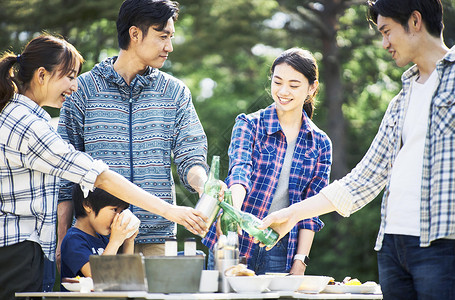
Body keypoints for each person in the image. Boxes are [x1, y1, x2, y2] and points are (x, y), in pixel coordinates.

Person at [260, 0, 455, 298]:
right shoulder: (401, 100)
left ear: (415, 21)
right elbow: (365, 178)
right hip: (392, 247)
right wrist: (293, 213)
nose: (384, 43)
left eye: (387, 31)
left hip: (443, 244)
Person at [0, 34, 207, 300]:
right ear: (42, 75)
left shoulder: (20, 117)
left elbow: (191, 150)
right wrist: (172, 211)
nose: (74, 86)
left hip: (22, 250)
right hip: (19, 252)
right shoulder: (29, 126)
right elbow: (100, 177)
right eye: (69, 76)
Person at [56, 0, 209, 273]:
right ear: (135, 34)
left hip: (158, 241)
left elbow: (191, 156)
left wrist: (204, 186)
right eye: (163, 36)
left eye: (171, 37)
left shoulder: (175, 93)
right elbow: (66, 176)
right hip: (97, 241)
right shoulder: (82, 91)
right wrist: (60, 240)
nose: (169, 47)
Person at [202, 48, 332, 275]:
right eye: (277, 82)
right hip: (236, 239)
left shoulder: (320, 144)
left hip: (279, 246)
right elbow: (239, 172)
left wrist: (300, 260)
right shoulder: (249, 125)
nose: (283, 91)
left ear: (312, 88)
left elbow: (311, 209)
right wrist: (233, 215)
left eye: (294, 85)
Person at [60, 186, 137, 283]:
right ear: (88, 205)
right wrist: (115, 242)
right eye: (114, 210)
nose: (118, 217)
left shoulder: (103, 240)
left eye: (120, 212)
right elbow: (97, 276)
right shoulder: (73, 240)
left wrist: (128, 241)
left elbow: (125, 277)